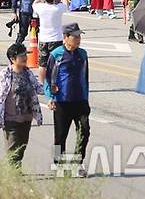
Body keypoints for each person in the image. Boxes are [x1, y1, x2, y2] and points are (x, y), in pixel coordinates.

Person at [44, 23, 90, 178]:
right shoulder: (56, 54)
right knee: (60, 136)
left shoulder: (83, 54)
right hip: (62, 101)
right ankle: (59, 163)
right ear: (65, 37)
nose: (78, 40)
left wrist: (86, 97)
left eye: (79, 36)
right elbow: (49, 77)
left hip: (80, 101)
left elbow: (85, 77)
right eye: (75, 36)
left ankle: (78, 163)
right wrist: (50, 97)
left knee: (84, 130)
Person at [0, 43, 44, 168]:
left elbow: (37, 88)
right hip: (11, 119)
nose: (25, 57)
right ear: (12, 59)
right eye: (22, 56)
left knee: (22, 146)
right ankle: (14, 172)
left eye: (26, 55)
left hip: (26, 117)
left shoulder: (27, 72)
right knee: (13, 147)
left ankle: (16, 168)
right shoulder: (5, 74)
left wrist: (52, 90)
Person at [32, 0, 70, 84]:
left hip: (43, 39)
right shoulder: (58, 8)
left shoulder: (41, 7)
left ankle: (41, 83)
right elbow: (66, 3)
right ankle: (55, 83)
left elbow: (34, 3)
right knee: (57, 63)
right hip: (56, 39)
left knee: (42, 64)